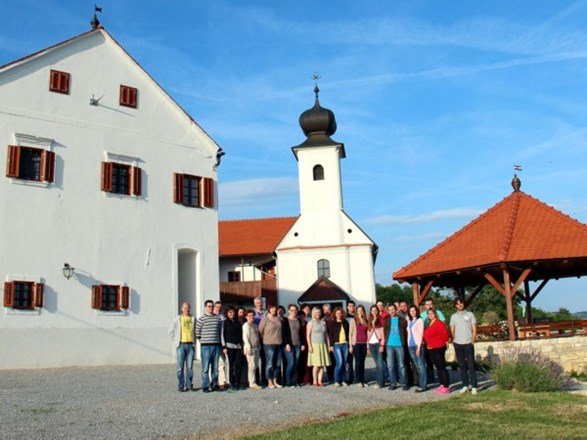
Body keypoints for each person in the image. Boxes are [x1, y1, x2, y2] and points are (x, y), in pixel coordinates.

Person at [450, 298, 478, 395]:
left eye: (461, 303)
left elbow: (474, 328)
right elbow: (452, 329)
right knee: (462, 366)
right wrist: (454, 340)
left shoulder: (470, 315)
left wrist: (472, 341)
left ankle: (474, 386)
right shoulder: (453, 316)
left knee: (471, 366)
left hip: (468, 344)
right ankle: (465, 385)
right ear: (456, 306)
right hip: (458, 344)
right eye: (457, 304)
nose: (459, 305)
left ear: (463, 304)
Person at [196, 299, 223, 393]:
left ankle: (214, 384)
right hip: (206, 346)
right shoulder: (201, 319)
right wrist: (203, 342)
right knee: (205, 367)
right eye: (209, 306)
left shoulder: (218, 318)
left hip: (216, 345)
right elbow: (197, 333)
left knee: (215, 368)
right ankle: (205, 385)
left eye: (212, 306)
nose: (211, 308)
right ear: (205, 307)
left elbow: (220, 332)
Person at [169, 302, 196, 392]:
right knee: (180, 367)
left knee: (190, 367)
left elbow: (195, 331)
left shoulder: (193, 319)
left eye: (188, 308)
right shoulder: (178, 319)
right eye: (185, 308)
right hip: (181, 345)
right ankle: (181, 385)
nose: (186, 309)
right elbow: (171, 331)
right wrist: (176, 340)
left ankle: (189, 384)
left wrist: (194, 342)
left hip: (190, 345)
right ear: (181, 309)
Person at [423, 309, 450, 394]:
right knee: (438, 367)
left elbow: (444, 334)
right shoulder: (429, 324)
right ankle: (442, 384)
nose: (430, 315)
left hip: (438, 347)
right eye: (429, 314)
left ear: (435, 314)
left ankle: (446, 386)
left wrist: (446, 342)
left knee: (442, 367)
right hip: (431, 348)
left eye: (432, 313)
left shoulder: (439, 323)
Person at [420, 298, 446, 384]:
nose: (429, 306)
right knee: (428, 361)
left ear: (433, 305)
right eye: (427, 304)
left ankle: (443, 382)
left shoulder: (438, 313)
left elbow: (442, 328)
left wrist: (445, 341)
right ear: (425, 306)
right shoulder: (422, 315)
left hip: (437, 343)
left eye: (430, 304)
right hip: (427, 343)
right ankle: (431, 378)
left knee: (439, 364)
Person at [383, 304, 408, 390]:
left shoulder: (402, 320)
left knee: (401, 365)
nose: (391, 311)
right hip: (389, 345)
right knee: (390, 365)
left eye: (393, 309)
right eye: (389, 310)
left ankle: (404, 383)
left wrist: (405, 343)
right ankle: (393, 383)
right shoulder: (386, 321)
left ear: (396, 309)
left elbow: (406, 333)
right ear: (388, 311)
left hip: (399, 345)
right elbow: (384, 333)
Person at [258, 304, 283, 388]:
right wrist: (264, 340)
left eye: (275, 308)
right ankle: (269, 382)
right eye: (272, 308)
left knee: (278, 364)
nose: (274, 309)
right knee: (269, 364)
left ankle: (275, 381)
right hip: (268, 344)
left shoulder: (278, 319)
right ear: (269, 309)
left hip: (279, 344)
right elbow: (260, 331)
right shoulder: (265, 319)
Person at [306, 307, 331, 387]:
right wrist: (309, 345)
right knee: (316, 364)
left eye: (319, 312)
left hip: (323, 344)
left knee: (322, 364)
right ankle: (315, 381)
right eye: (316, 312)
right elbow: (308, 335)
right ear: (313, 313)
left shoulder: (323, 322)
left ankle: (320, 381)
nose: (318, 314)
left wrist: (328, 345)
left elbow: (326, 334)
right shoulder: (310, 322)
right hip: (314, 345)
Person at [222, 306, 245, 390]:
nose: (232, 314)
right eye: (230, 312)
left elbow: (241, 335)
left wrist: (242, 347)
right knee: (230, 365)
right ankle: (231, 383)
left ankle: (238, 382)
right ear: (227, 313)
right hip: (229, 346)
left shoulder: (238, 322)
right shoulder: (224, 323)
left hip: (238, 346)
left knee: (238, 365)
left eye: (233, 312)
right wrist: (224, 346)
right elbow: (222, 335)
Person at [282, 304, 305, 387]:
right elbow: (283, 333)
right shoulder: (285, 320)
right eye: (292, 310)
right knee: (291, 363)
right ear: (289, 311)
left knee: (295, 363)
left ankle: (294, 381)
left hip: (297, 345)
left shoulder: (298, 320)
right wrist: (287, 344)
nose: (294, 312)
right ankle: (288, 381)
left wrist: (302, 344)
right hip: (289, 345)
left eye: (295, 310)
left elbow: (300, 333)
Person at [327, 307, 350, 387]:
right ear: (335, 314)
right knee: (339, 362)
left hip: (345, 344)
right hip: (337, 345)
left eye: (340, 313)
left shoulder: (345, 322)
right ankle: (336, 380)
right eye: (337, 313)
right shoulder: (332, 323)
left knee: (344, 362)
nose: (339, 315)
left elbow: (348, 333)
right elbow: (330, 335)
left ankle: (343, 379)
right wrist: (331, 345)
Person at [406, 305, 427, 392]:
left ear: (416, 311)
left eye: (414, 310)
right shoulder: (409, 321)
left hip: (417, 346)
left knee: (421, 366)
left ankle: (423, 385)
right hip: (410, 346)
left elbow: (421, 333)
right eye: (411, 311)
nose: (413, 312)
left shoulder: (420, 320)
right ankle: (421, 383)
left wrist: (419, 347)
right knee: (418, 366)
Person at [242, 309, 262, 390]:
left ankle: (253, 381)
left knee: (255, 365)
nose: (251, 317)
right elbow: (245, 338)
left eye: (252, 315)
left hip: (257, 347)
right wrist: (248, 348)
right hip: (250, 349)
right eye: (249, 316)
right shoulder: (246, 325)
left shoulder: (255, 325)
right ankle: (252, 383)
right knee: (252, 366)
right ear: (246, 317)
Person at [349, 304, 368, 387]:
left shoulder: (366, 320)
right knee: (358, 362)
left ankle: (363, 380)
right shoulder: (353, 321)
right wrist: (350, 345)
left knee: (363, 362)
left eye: (361, 310)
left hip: (364, 343)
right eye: (358, 310)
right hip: (356, 344)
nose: (360, 312)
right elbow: (350, 334)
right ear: (356, 312)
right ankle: (358, 380)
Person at [367, 305, 385, 389]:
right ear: (370, 311)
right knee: (377, 363)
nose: (374, 312)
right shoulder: (369, 320)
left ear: (378, 311)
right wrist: (368, 347)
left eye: (375, 310)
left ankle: (380, 382)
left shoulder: (381, 320)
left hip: (378, 344)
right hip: (371, 344)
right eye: (372, 310)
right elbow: (367, 334)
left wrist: (382, 344)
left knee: (380, 364)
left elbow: (383, 334)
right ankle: (381, 380)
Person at [214, 300, 228, 389]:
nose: (218, 309)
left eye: (220, 307)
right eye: (217, 307)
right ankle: (213, 382)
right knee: (213, 364)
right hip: (212, 344)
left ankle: (222, 382)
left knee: (222, 363)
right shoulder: (211, 317)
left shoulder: (223, 318)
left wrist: (224, 345)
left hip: (221, 344)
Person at [345, 301, 356, 385]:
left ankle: (359, 377)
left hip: (357, 340)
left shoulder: (358, 315)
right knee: (349, 361)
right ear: (347, 307)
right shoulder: (345, 317)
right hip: (348, 340)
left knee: (358, 361)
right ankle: (349, 378)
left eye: (353, 306)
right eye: (350, 306)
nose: (351, 307)